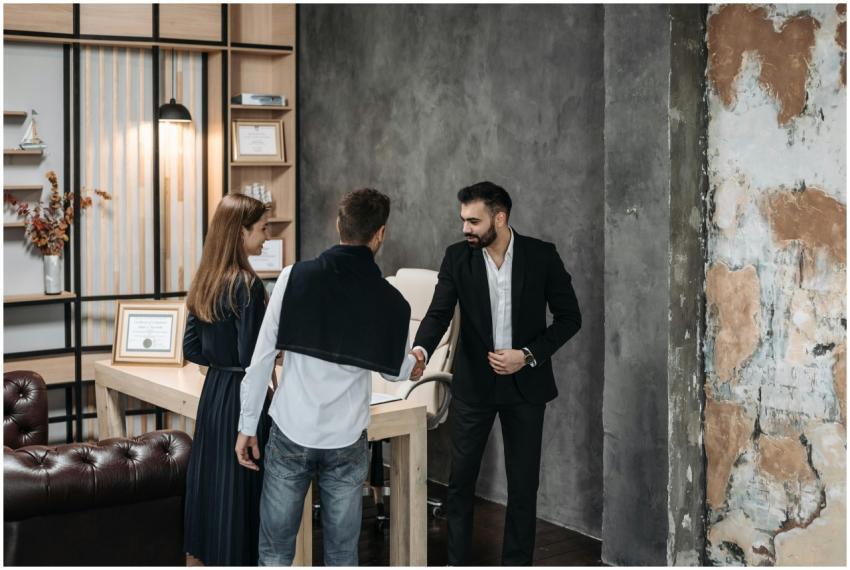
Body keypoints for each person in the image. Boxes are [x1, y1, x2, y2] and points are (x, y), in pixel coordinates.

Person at [236, 188, 425, 566]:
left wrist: (247, 426)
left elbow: (260, 360)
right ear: (380, 234)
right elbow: (397, 368)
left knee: (274, 551)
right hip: (345, 439)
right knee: (341, 554)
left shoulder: (294, 277)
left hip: (291, 431)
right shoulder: (393, 302)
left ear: (339, 225)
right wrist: (415, 359)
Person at [412, 181, 582, 565]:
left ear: (500, 218)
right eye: (463, 220)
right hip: (475, 387)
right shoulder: (457, 258)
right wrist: (421, 349)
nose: (465, 229)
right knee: (460, 485)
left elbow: (571, 318)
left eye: (473, 221)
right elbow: (439, 312)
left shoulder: (542, 256)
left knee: (523, 488)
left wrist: (527, 355)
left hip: (527, 387)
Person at [182, 193, 273, 566]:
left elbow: (191, 348)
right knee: (242, 493)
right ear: (241, 232)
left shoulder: (206, 278)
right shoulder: (248, 285)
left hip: (214, 392)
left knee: (213, 489)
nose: (267, 236)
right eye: (263, 228)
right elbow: (254, 357)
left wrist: (220, 361)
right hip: (243, 397)